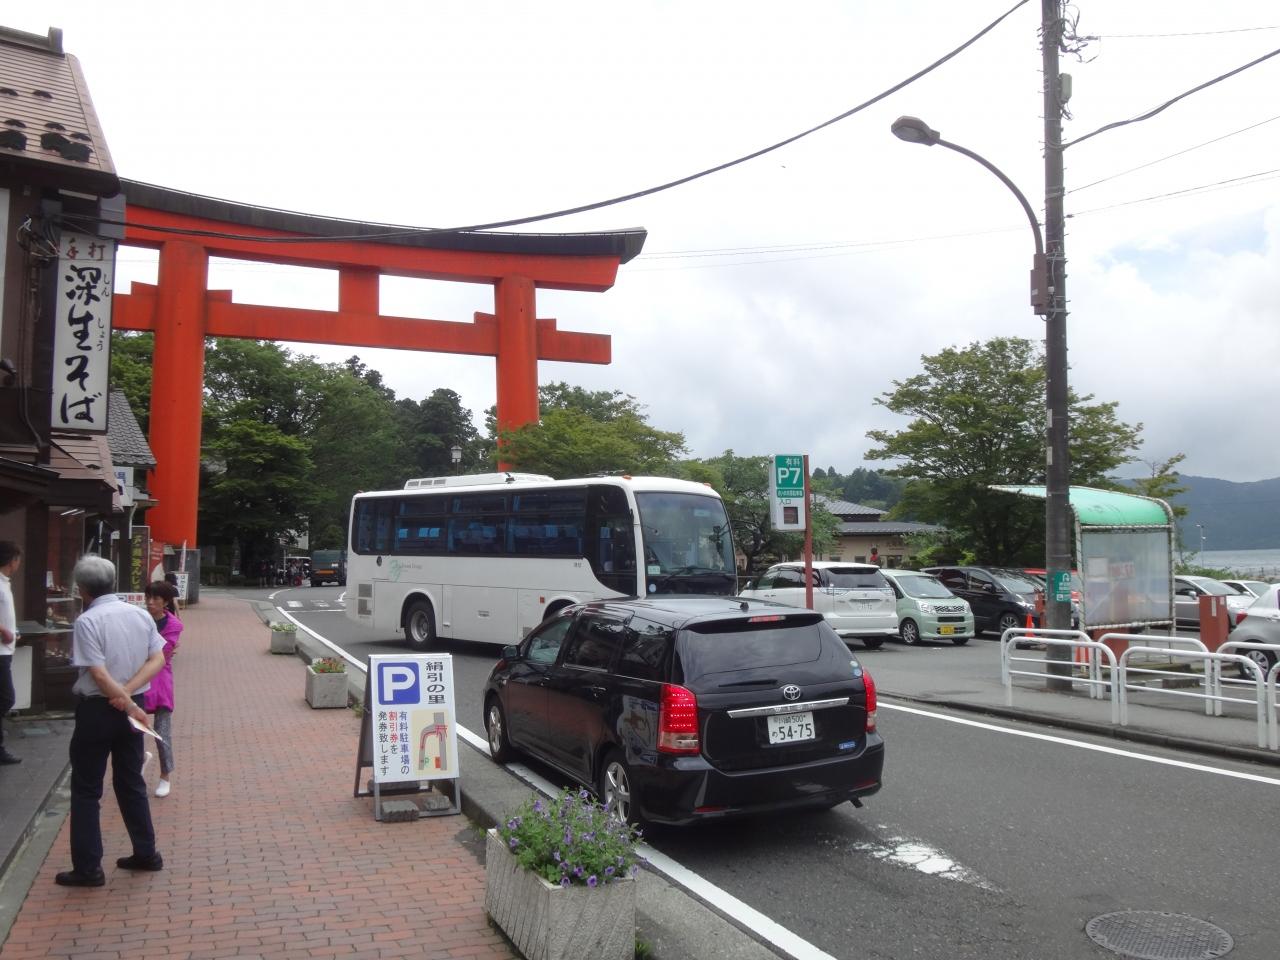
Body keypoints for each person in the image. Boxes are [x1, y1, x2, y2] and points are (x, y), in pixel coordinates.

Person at [56, 555, 166, 887]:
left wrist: (122, 698)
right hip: (134, 709)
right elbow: (158, 657)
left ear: (81, 589)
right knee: (130, 780)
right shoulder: (138, 614)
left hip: (98, 710)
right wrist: (131, 699)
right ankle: (146, 853)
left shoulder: (87, 621)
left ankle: (89, 868)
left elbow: (98, 674)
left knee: (88, 788)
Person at [141, 581, 182, 798]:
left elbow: (162, 653)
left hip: (161, 682)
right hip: (138, 680)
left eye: (155, 598)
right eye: (148, 597)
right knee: (133, 730)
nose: (150, 602)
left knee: (162, 734)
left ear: (165, 601)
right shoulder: (138, 619)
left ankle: (165, 775)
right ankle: (139, 761)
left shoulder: (173, 625)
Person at [0, 541, 22, 765]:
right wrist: (3, 630)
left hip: (6, 649)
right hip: (0, 651)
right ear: (11, 561)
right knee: (6, 698)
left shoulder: (5, 582)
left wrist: (12, 631)